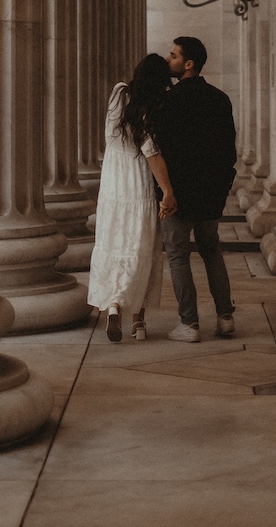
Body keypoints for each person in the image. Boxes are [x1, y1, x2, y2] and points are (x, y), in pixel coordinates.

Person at [85, 54, 179, 342]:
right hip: (137, 179)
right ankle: (139, 322)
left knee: (114, 241)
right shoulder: (149, 107)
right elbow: (151, 152)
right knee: (140, 244)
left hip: (113, 181)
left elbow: (112, 134)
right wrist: (167, 191)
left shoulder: (119, 92)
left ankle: (113, 307)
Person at [153, 35, 238, 342]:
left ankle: (189, 324)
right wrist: (222, 187)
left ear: (188, 64)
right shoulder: (220, 98)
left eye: (173, 55)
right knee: (211, 250)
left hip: (177, 194)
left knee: (177, 256)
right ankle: (225, 317)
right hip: (209, 193)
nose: (168, 60)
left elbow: (160, 152)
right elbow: (229, 151)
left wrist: (164, 193)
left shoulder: (167, 101)